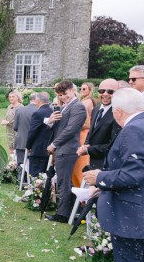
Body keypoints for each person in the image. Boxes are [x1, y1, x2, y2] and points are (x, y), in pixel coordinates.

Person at [82, 88, 144, 262]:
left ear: (118, 112)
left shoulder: (135, 130)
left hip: (134, 215)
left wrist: (101, 177)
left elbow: (135, 173)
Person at [45, 80, 87, 223]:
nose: (63, 97)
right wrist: (50, 120)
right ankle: (65, 210)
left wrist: (54, 144)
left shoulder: (78, 107)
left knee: (64, 182)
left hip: (67, 149)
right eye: (60, 95)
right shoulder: (64, 107)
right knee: (63, 181)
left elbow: (70, 130)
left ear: (72, 90)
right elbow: (57, 128)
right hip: (62, 149)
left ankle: (63, 214)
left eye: (65, 94)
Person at [77, 79, 121, 170]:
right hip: (93, 161)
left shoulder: (118, 113)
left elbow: (113, 144)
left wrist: (89, 150)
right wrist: (86, 145)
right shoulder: (96, 109)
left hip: (107, 164)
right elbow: (91, 132)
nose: (105, 94)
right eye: (101, 91)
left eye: (110, 91)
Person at [72, 82, 97, 187]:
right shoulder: (82, 101)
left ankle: (83, 186)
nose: (81, 91)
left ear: (90, 90)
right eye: (81, 89)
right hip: (81, 132)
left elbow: (87, 124)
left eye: (84, 89)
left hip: (84, 132)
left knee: (81, 161)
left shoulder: (87, 102)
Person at [25, 92, 53, 177]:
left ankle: (36, 189)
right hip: (51, 147)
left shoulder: (38, 113)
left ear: (37, 101)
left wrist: (28, 146)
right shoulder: (53, 111)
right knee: (46, 174)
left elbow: (33, 131)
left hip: (38, 148)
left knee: (35, 175)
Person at [13, 92, 37, 164]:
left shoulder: (19, 110)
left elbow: (15, 127)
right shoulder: (40, 110)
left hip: (21, 142)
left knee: (21, 165)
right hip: (35, 144)